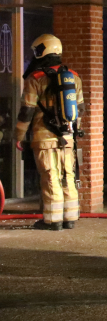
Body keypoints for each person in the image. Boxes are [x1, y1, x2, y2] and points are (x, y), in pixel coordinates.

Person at [14, 34, 84, 231]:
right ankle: (70, 218)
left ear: (43, 51)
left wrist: (19, 136)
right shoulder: (74, 77)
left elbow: (26, 111)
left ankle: (53, 220)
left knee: (50, 176)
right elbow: (80, 109)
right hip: (67, 136)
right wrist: (70, 130)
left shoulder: (35, 78)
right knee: (68, 175)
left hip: (44, 137)